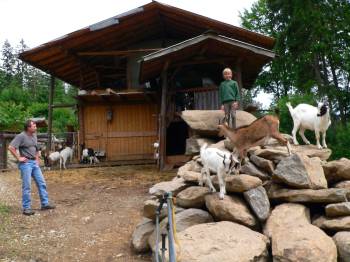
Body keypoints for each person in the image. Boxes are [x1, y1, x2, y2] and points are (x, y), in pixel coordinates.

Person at [8, 120, 55, 216]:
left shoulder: (34, 135)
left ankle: (45, 204)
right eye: (34, 126)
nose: (36, 127)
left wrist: (37, 160)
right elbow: (11, 147)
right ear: (28, 128)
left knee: (41, 183)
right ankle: (26, 208)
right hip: (26, 164)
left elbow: (36, 148)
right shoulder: (21, 136)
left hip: (34, 163)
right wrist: (19, 158)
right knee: (27, 186)